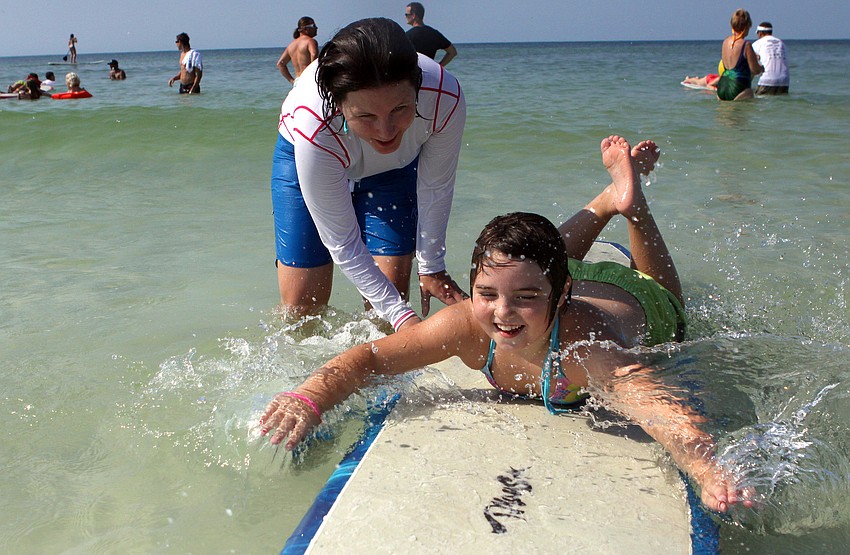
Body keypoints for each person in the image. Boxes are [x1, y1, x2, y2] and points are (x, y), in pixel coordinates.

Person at [260, 135, 757, 514]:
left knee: (669, 297)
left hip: (631, 298)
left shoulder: (587, 351)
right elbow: (371, 358)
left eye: (522, 299)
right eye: (486, 294)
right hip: (561, 281)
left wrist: (706, 469)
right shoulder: (469, 323)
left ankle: (632, 206)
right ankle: (606, 200)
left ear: (560, 297)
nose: (501, 313)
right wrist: (311, 396)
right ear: (472, 288)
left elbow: (658, 408)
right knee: (538, 259)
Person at [271, 18, 467, 332]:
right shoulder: (314, 121)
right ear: (339, 105)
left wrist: (431, 267)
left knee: (389, 302)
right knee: (302, 310)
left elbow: (435, 185)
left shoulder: (444, 95)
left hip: (393, 171)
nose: (386, 131)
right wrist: (405, 319)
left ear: (417, 88)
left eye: (400, 109)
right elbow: (343, 242)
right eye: (366, 116)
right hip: (309, 156)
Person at [716, 9, 763, 101]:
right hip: (738, 88)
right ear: (747, 26)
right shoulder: (746, 45)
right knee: (742, 113)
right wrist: (762, 68)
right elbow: (755, 70)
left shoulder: (725, 42)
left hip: (722, 86)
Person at [276, 17, 319, 85]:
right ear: (305, 28)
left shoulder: (291, 45)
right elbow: (314, 54)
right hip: (309, 79)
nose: (316, 28)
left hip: (298, 82)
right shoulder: (310, 41)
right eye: (313, 26)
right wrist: (314, 73)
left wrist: (292, 81)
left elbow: (280, 64)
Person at [752, 22, 789, 95]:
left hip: (767, 80)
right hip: (784, 81)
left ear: (760, 33)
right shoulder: (781, 43)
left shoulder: (757, 44)